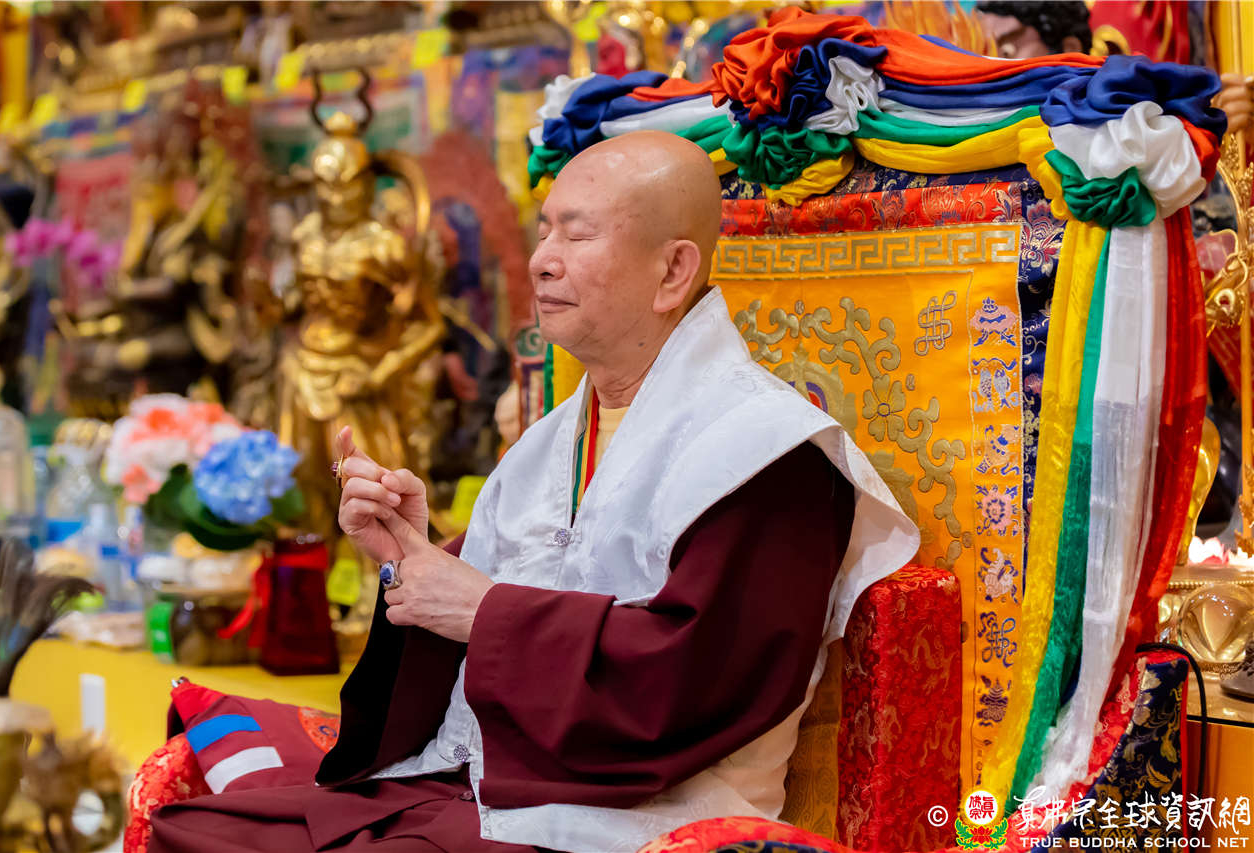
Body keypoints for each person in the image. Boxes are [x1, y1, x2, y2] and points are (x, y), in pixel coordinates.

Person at [149, 130, 917, 853]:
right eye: (544, 231)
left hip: (638, 816)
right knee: (195, 827)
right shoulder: (549, 444)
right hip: (489, 783)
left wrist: (485, 612)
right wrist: (409, 559)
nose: (542, 260)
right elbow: (466, 633)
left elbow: (694, 684)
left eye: (576, 236)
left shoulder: (765, 453)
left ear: (673, 272)